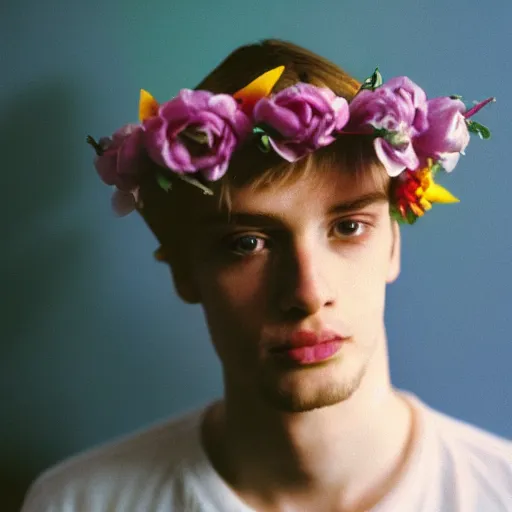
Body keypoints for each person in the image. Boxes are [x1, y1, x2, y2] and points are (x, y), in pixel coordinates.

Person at [21, 39, 511, 512]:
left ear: (393, 246)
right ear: (184, 271)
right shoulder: (77, 503)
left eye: (348, 227)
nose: (307, 293)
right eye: (247, 243)